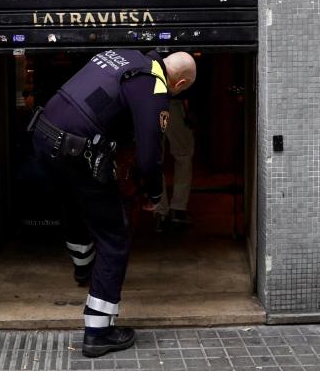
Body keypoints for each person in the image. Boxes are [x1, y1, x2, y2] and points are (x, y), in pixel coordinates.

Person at [28, 49, 196, 358]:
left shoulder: (124, 55)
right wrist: (154, 196)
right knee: (114, 235)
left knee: (74, 201)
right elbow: (149, 157)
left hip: (43, 134)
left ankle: (83, 269)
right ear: (181, 82)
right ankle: (98, 331)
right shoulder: (156, 85)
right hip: (73, 149)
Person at [153, 95, 194, 228]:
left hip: (150, 101)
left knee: (154, 159)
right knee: (183, 156)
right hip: (175, 99)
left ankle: (159, 211)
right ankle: (177, 208)